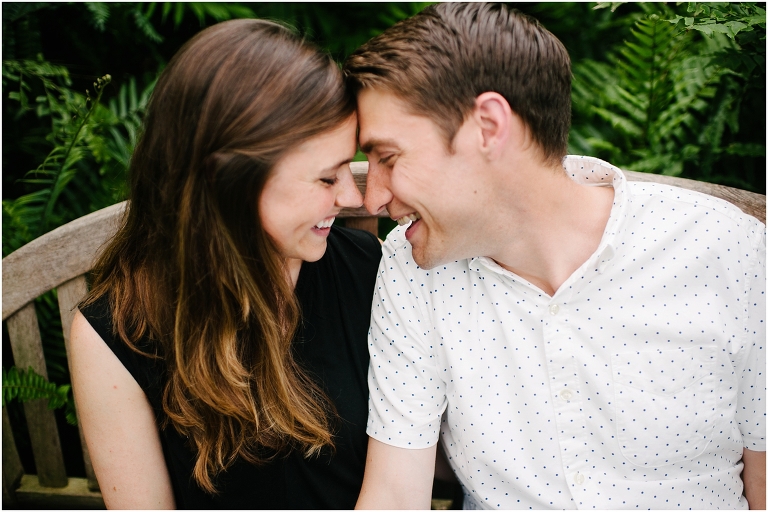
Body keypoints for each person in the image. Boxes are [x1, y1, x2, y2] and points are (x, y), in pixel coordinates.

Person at [343, 3, 766, 509]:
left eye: (387, 158)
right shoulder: (412, 268)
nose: (371, 199)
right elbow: (394, 494)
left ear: (488, 126)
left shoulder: (727, 248)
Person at [69, 19, 381, 509]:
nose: (351, 196)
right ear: (228, 181)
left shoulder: (366, 272)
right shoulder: (122, 332)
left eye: (350, 164)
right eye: (325, 178)